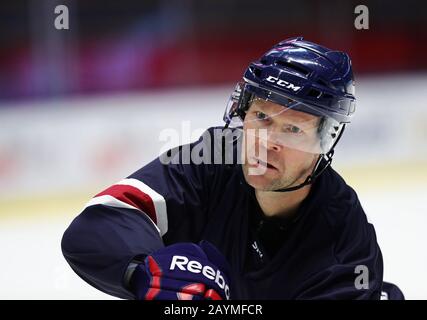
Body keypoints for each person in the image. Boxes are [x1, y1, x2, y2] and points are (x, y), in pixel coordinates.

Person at [62, 37, 403, 300]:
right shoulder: (214, 157)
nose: (266, 142)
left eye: (293, 129)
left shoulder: (345, 243)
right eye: (261, 117)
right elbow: (97, 226)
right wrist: (144, 273)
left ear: (325, 142)